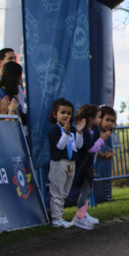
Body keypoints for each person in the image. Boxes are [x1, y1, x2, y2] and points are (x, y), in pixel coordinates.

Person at [47, 98, 84, 229]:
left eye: (68, 113)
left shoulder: (72, 129)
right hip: (59, 163)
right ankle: (56, 219)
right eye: (63, 112)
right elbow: (60, 146)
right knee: (57, 192)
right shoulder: (55, 130)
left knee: (64, 193)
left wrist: (79, 132)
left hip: (71, 163)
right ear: (55, 114)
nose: (66, 116)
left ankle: (60, 215)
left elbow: (78, 145)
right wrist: (66, 133)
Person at [68, 104, 104, 230]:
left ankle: (84, 214)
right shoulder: (83, 131)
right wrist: (102, 140)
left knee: (88, 191)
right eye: (98, 117)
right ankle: (79, 217)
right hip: (82, 166)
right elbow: (90, 148)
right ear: (90, 119)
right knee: (85, 191)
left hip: (88, 165)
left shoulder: (93, 131)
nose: (100, 120)